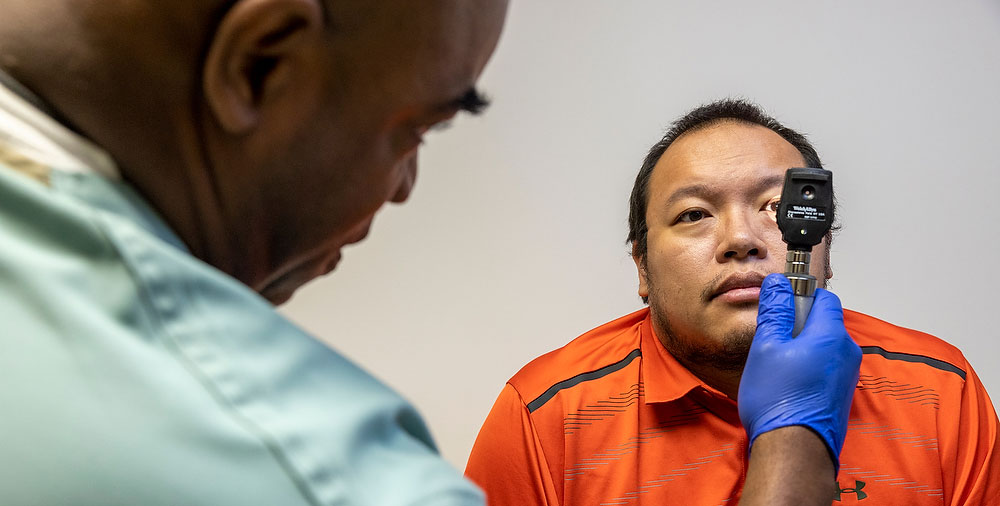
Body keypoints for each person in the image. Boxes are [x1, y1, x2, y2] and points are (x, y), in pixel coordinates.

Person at [0, 1, 861, 504]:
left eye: (777, 208)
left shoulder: (947, 391)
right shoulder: (309, 465)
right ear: (260, 65)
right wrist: (794, 444)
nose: (406, 184)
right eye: (416, 126)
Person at [465, 99, 1000, 505]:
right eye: (694, 214)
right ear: (642, 267)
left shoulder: (941, 394)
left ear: (825, 248)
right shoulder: (544, 419)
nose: (741, 239)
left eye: (775, 205)